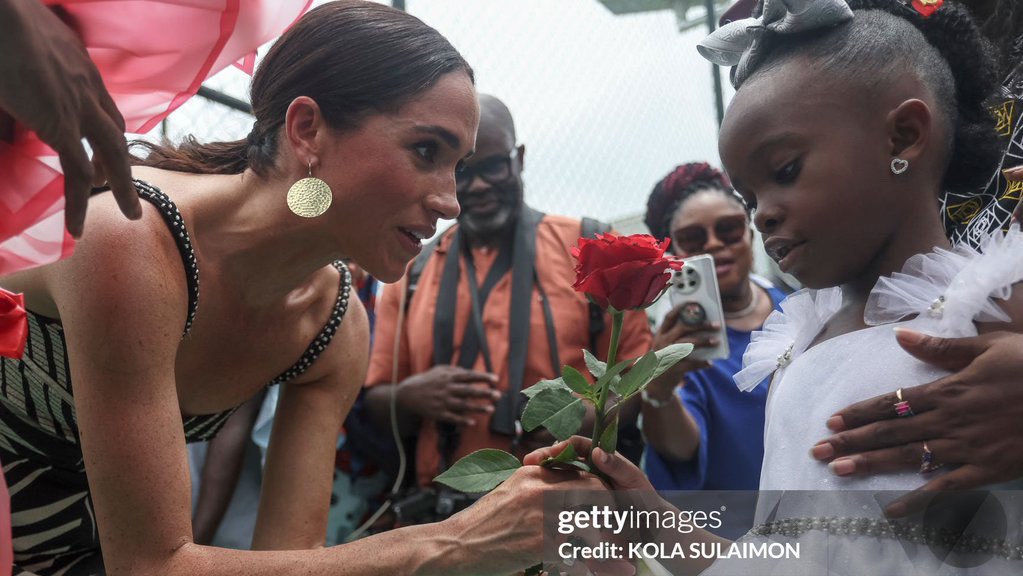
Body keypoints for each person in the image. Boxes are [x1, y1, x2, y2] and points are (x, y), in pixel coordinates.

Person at [0, 3, 606, 574]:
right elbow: (154, 563)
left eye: (461, 166)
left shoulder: (334, 326)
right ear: (308, 128)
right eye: (426, 150)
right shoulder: (131, 240)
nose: (451, 200)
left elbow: (293, 560)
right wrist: (461, 544)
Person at [695, 0, 1023, 571]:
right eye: (749, 198)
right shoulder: (795, 351)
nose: (761, 215)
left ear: (902, 137)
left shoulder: (995, 304)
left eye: (786, 171)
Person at [363, 94, 653, 507]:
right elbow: (376, 400)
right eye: (463, 170)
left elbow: (639, 377)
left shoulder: (589, 249)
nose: (478, 185)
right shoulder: (412, 270)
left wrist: (584, 419)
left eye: (493, 166)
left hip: (565, 501)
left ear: (518, 157)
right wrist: (411, 395)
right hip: (445, 513)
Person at [639, 162, 785, 491]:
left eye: (729, 230)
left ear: (750, 234)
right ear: (672, 254)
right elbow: (681, 451)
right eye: (693, 239)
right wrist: (660, 390)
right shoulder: (677, 343)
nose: (714, 244)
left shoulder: (799, 309)